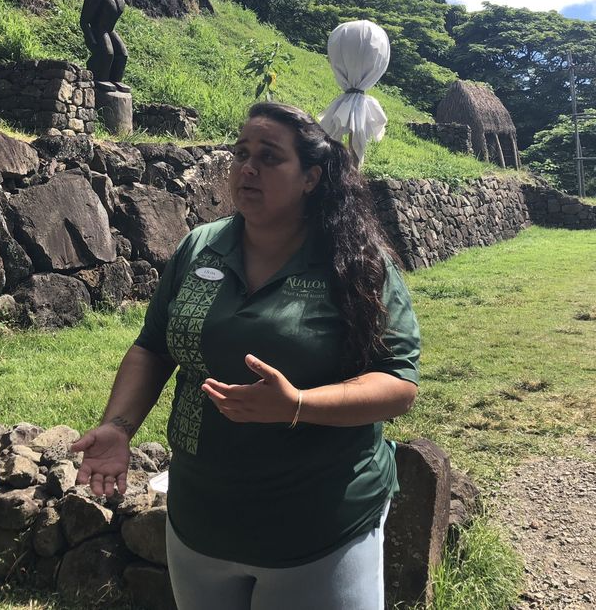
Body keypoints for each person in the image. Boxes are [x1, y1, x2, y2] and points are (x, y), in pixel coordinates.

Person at [72, 101, 420, 610]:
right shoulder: (200, 248)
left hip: (320, 526)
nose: (246, 168)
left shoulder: (356, 264)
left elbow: (397, 382)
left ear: (311, 178)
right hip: (200, 521)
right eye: (241, 152)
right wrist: (119, 425)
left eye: (270, 157)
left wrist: (298, 404)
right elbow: (152, 347)